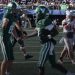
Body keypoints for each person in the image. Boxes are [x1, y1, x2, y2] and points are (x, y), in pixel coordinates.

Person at [27, 5, 75, 75]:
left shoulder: (46, 21)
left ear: (42, 13)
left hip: (47, 44)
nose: (36, 14)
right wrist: (27, 36)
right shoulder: (39, 21)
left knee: (40, 65)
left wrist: (48, 37)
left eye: (37, 13)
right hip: (45, 44)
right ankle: (68, 73)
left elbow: (55, 32)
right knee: (53, 64)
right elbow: (36, 32)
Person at [0, 2, 24, 75]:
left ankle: (8, 72)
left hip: (8, 39)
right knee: (6, 58)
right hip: (4, 38)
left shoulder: (13, 16)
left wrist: (17, 37)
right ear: (11, 9)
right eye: (15, 9)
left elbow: (13, 28)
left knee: (11, 58)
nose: (16, 10)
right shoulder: (7, 15)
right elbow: (3, 26)